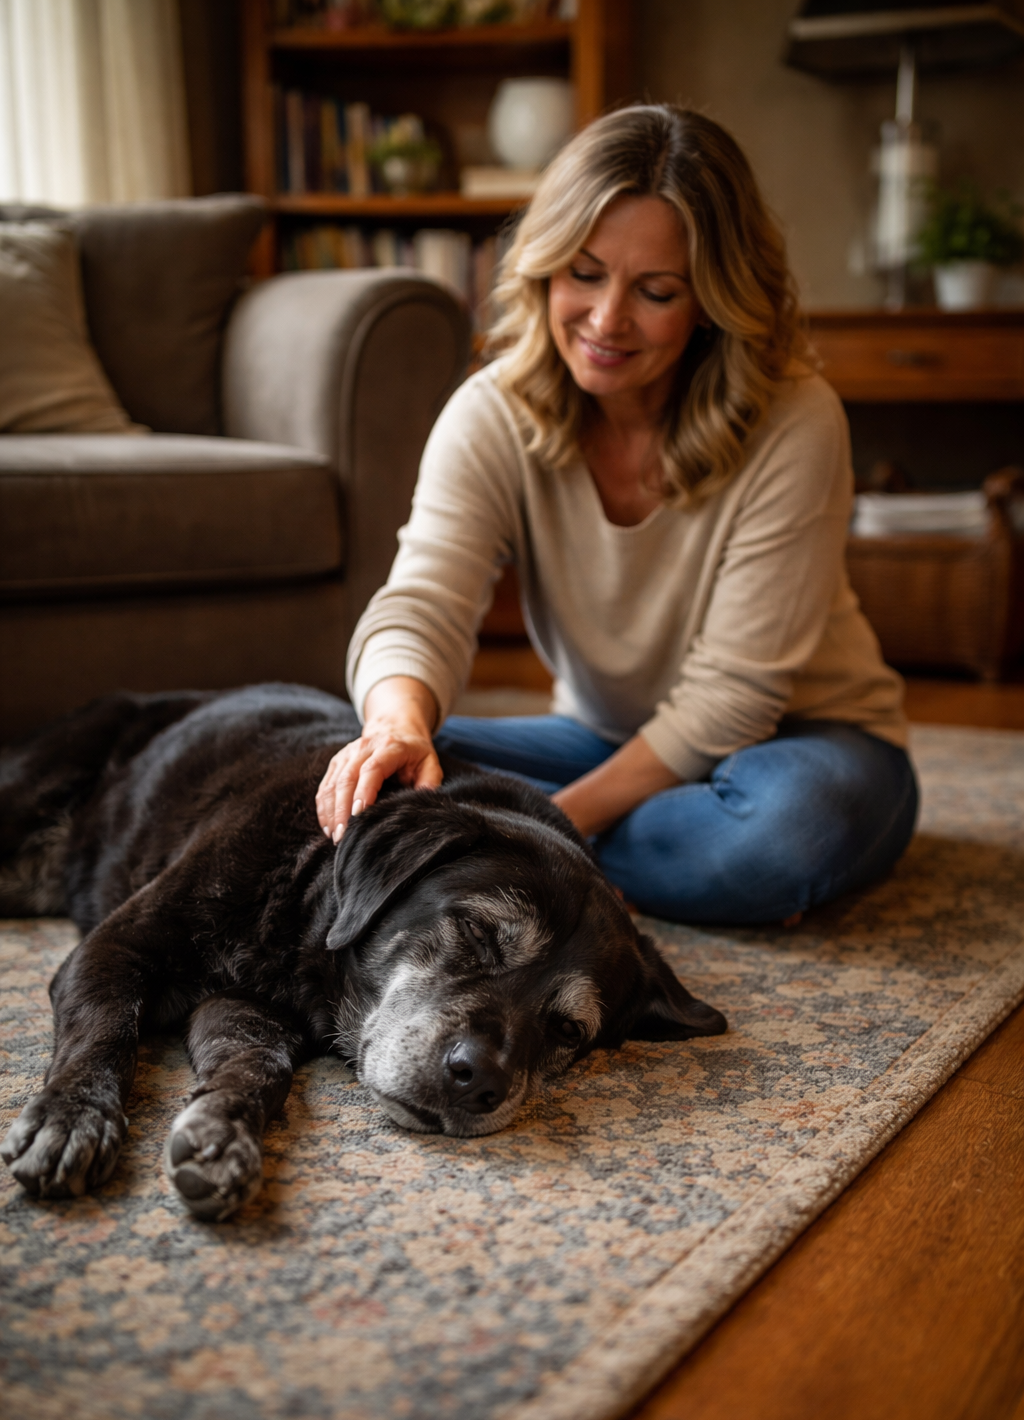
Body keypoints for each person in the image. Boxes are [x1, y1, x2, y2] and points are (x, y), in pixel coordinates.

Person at [315, 105, 917, 926]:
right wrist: (396, 726)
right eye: (585, 273)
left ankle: (483, 850)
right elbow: (423, 602)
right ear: (546, 264)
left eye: (656, 291)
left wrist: (554, 824)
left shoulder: (796, 418)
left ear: (710, 297)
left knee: (787, 836)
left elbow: (734, 701)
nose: (606, 321)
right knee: (341, 758)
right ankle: (557, 852)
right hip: (607, 738)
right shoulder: (490, 412)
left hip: (806, 743)